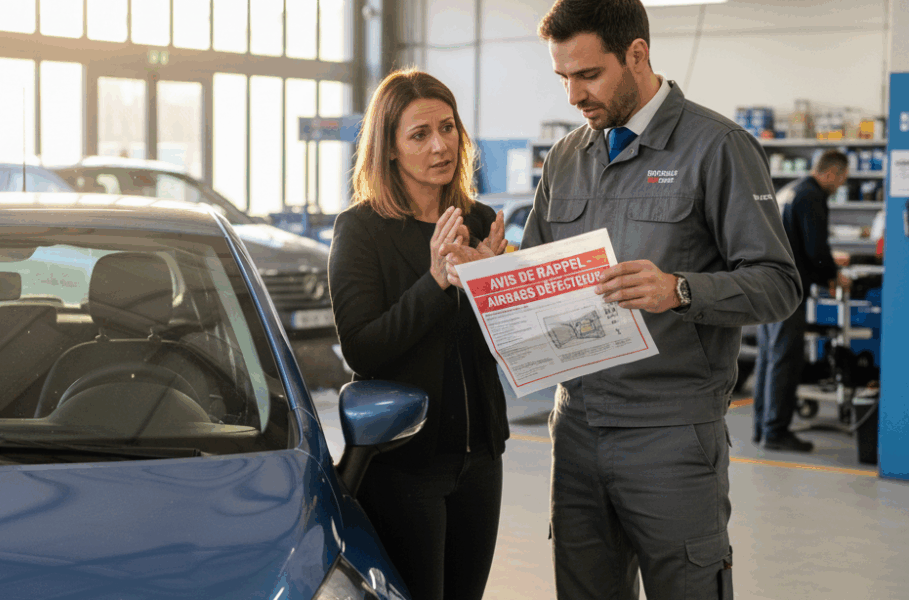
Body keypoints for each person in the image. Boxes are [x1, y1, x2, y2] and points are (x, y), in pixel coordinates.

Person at [495, 1, 801, 598]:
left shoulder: (718, 147)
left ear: (637, 54)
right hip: (578, 426)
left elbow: (778, 283)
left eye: (588, 75)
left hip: (671, 433)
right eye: (563, 78)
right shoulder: (566, 157)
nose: (573, 95)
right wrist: (494, 272)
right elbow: (535, 276)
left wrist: (680, 290)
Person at [326, 67, 510, 600]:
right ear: (389, 149)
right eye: (420, 134)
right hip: (407, 462)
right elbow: (363, 348)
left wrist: (495, 286)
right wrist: (435, 282)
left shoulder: (479, 220)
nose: (440, 145)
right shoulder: (362, 230)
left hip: (480, 455)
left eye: (448, 128)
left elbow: (495, 343)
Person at [753, 150, 851, 452]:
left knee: (769, 358)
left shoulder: (790, 189)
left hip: (766, 284)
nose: (841, 185)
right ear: (831, 174)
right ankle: (776, 432)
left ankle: (762, 427)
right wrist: (834, 275)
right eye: (842, 178)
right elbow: (815, 249)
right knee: (785, 359)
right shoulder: (812, 196)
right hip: (787, 289)